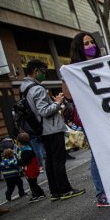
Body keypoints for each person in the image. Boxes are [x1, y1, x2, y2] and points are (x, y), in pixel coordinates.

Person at [21, 60, 85, 201]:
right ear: (35, 71)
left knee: (50, 161)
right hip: (51, 128)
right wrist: (57, 102)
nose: (44, 75)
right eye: (43, 72)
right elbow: (44, 111)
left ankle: (55, 191)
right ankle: (65, 189)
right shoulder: (37, 89)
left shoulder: (25, 88)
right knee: (58, 160)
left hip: (41, 129)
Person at [67, 32, 109, 207]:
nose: (90, 46)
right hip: (90, 119)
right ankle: (101, 193)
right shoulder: (72, 71)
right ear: (78, 47)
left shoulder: (102, 64)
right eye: (86, 43)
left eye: (92, 42)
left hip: (107, 115)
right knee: (97, 155)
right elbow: (69, 96)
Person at [16, 132, 46, 203]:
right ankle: (35, 194)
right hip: (31, 168)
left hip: (31, 169)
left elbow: (26, 160)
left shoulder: (26, 151)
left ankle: (40, 193)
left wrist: (19, 163)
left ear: (20, 142)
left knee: (32, 183)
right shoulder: (27, 149)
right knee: (32, 183)